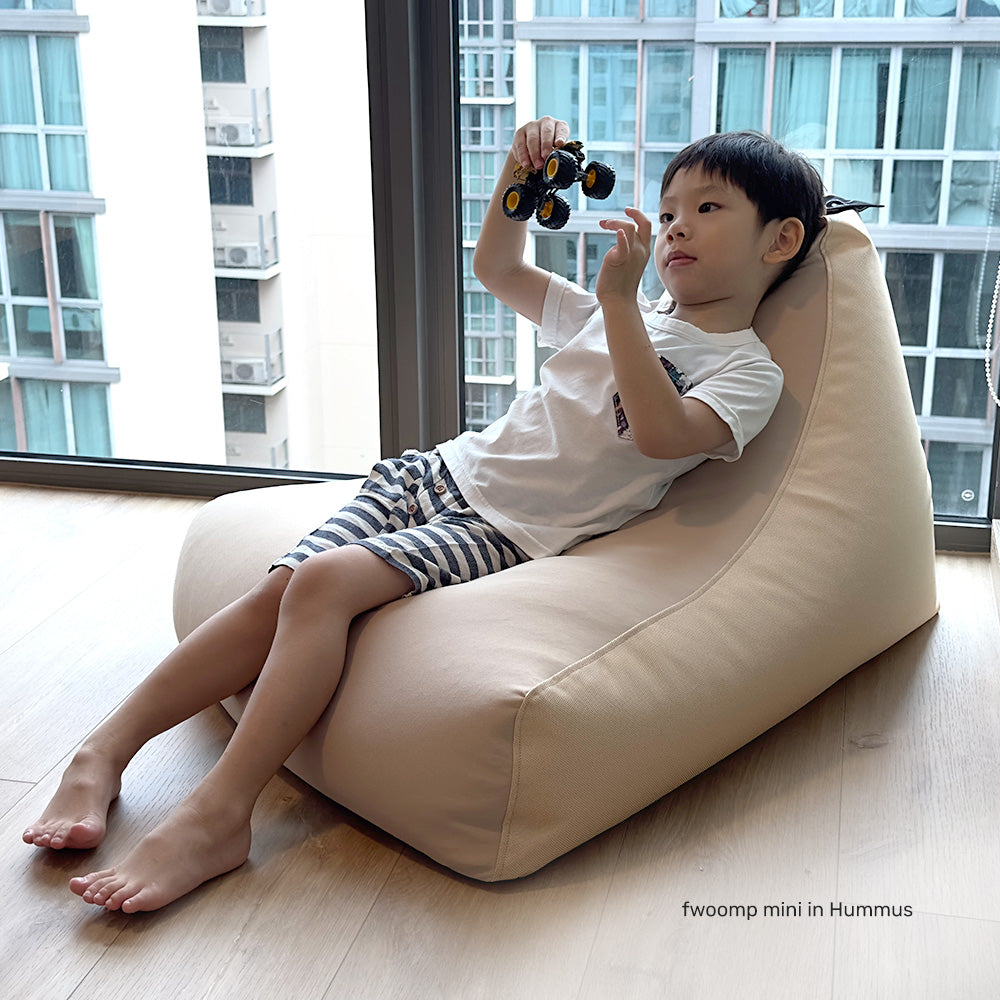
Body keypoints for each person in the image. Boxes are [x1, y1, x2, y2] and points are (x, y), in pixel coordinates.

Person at [22, 116, 825, 913]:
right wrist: (518, 180)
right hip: (435, 472)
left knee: (322, 585)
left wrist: (620, 305)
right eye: (671, 206)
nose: (677, 224)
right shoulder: (619, 313)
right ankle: (105, 749)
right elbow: (498, 266)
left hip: (503, 531)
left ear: (780, 241)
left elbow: (659, 434)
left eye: (708, 208)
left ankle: (219, 812)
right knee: (282, 588)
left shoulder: (745, 371)